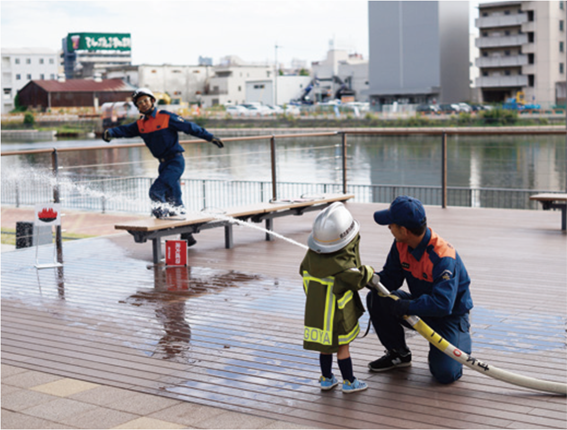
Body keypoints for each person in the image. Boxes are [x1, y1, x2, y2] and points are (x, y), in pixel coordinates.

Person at [366, 196, 473, 384]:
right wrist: (368, 278)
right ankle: (398, 353)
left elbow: (443, 305)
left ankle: (456, 343)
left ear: (404, 230)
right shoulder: (401, 243)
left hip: (450, 317)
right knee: (378, 297)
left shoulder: (443, 257)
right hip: (421, 309)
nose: (388, 228)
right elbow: (391, 278)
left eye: (391, 224)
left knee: (445, 374)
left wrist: (406, 306)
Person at [102, 88, 224, 244]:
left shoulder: (166, 117)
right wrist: (110, 133)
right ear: (137, 107)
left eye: (146, 100)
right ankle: (187, 235)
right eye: (139, 103)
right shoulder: (141, 124)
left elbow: (190, 127)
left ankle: (159, 226)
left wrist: (210, 138)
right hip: (163, 164)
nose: (143, 104)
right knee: (174, 200)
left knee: (156, 191)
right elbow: (125, 130)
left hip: (175, 162)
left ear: (153, 101)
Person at [300, 202, 372, 393]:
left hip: (318, 315)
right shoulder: (342, 267)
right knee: (342, 349)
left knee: (325, 348)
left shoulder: (310, 258)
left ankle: (326, 378)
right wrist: (371, 272)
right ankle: (349, 381)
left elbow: (305, 278)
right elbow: (359, 278)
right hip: (338, 317)